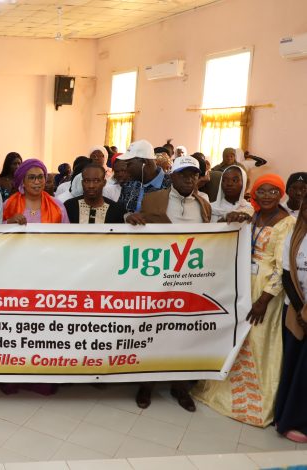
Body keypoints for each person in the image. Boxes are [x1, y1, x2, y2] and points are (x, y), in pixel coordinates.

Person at [193, 174, 295, 427]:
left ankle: (255, 404)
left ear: (281, 194)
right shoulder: (252, 214)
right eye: (262, 191)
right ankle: (225, 393)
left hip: (265, 291)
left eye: (273, 191)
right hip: (241, 285)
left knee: (259, 341)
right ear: (254, 193)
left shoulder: (287, 223)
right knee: (236, 337)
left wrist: (264, 300)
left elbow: (282, 268)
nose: (267, 196)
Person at [127, 156, 211, 412]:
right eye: (183, 174)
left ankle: (180, 386)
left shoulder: (204, 204)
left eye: (193, 175)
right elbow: (137, 229)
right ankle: (146, 384)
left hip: (191, 278)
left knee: (185, 333)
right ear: (172, 176)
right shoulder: (154, 199)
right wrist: (131, 219)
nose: (189, 179)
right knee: (153, 329)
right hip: (158, 278)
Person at [277, 193, 307, 442]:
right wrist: (301, 311)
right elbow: (287, 276)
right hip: (295, 312)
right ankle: (284, 418)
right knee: (291, 366)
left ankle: (300, 421)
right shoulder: (295, 235)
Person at [4, 158, 67, 225]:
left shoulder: (57, 205)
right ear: (23, 182)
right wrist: (9, 222)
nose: (37, 182)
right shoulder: (9, 204)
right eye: (31, 177)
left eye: (40, 177)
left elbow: (66, 230)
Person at [116, 140, 172, 214]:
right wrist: (127, 217)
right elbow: (119, 213)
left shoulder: (171, 186)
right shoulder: (128, 185)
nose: (126, 168)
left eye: (129, 164)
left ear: (145, 162)